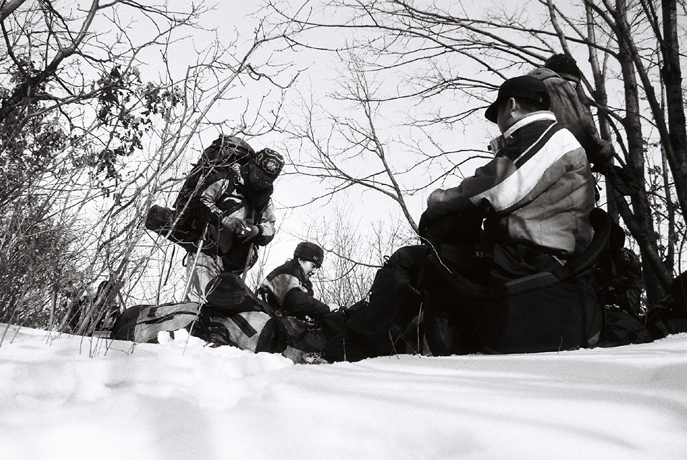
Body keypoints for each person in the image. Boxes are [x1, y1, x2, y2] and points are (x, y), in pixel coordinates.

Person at [322, 75, 601, 362]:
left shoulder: (548, 136)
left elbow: (500, 187)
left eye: (497, 115)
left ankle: (351, 348)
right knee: (441, 261)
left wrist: (438, 202)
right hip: (531, 255)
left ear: (511, 105)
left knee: (408, 262)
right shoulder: (547, 138)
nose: (499, 124)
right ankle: (369, 334)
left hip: (531, 258)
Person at [185, 143, 284, 304]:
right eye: (259, 177)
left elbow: (270, 228)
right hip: (207, 250)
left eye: (267, 181)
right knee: (200, 302)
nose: (261, 183)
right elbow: (200, 201)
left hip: (233, 263)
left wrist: (256, 230)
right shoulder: (226, 179)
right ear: (252, 165)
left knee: (223, 308)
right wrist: (223, 219)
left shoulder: (265, 201)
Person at [527, 53, 613, 170]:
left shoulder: (530, 90)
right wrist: (603, 150)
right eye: (571, 86)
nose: (572, 90)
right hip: (560, 168)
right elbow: (576, 129)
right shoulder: (557, 85)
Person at [258, 242, 330, 322]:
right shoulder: (286, 273)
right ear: (300, 260)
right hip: (258, 318)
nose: (314, 272)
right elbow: (294, 300)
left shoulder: (304, 285)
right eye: (313, 266)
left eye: (317, 268)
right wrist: (326, 309)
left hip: (272, 322)